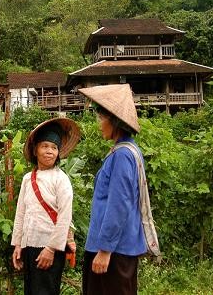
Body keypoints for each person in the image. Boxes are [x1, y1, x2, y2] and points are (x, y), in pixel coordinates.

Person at [77, 84, 147, 295]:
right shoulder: (123, 151)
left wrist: (105, 250)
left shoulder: (123, 155)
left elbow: (119, 205)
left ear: (114, 121)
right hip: (114, 248)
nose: (98, 124)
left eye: (101, 118)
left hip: (114, 251)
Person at [11, 118, 80, 295]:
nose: (49, 151)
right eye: (45, 146)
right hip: (29, 247)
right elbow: (21, 214)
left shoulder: (61, 179)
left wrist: (50, 249)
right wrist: (18, 245)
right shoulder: (28, 179)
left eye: (54, 148)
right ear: (35, 150)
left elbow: (65, 218)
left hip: (51, 248)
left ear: (58, 153)